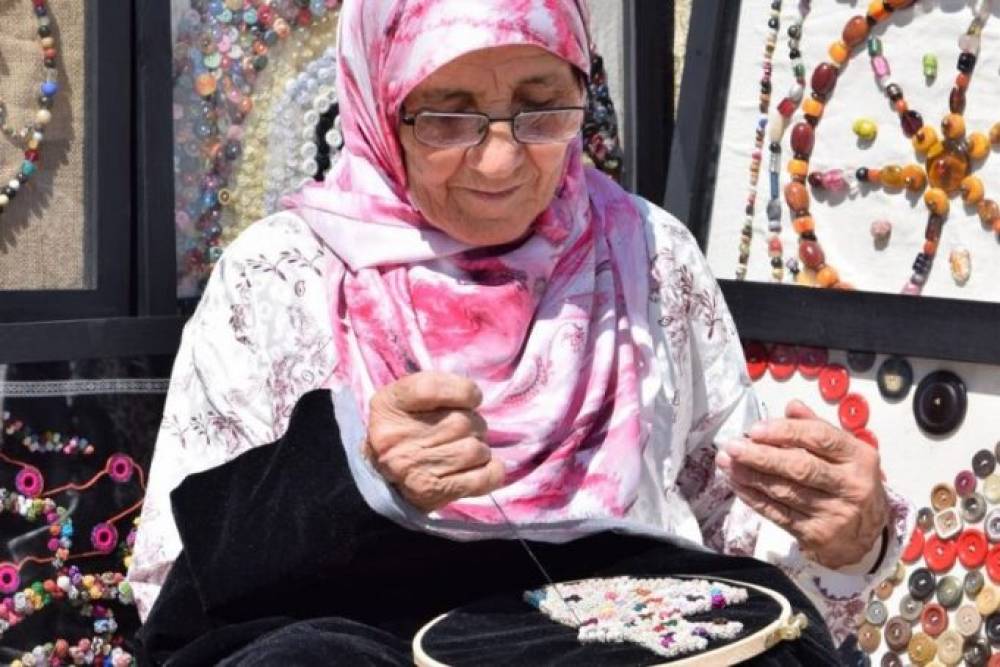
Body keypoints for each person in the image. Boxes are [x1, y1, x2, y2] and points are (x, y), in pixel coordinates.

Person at [130, 0, 912, 660]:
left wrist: (848, 540)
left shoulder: (646, 254)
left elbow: (734, 549)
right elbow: (175, 576)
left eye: (542, 108)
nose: (501, 161)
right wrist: (350, 481)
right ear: (379, 105)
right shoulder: (280, 278)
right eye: (449, 117)